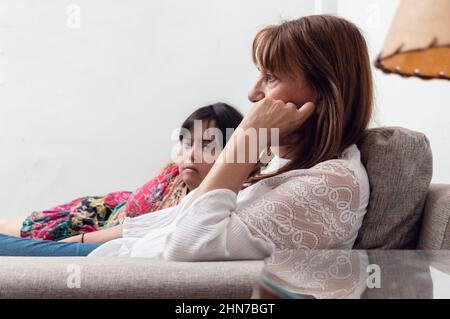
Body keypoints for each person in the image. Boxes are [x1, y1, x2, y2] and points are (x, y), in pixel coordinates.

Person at [0, 15, 372, 259]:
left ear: (324, 92)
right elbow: (168, 222)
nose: (253, 93)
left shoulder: (334, 184)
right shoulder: (294, 169)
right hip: (117, 251)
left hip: (119, 267)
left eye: (271, 77)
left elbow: (189, 244)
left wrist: (248, 136)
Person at [0, 103, 243, 242]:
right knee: (17, 223)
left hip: (100, 229)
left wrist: (71, 245)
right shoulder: (180, 170)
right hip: (105, 208)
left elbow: (131, 232)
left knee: (20, 232)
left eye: (208, 145)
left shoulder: (208, 202)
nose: (191, 154)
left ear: (230, 153)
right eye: (188, 143)